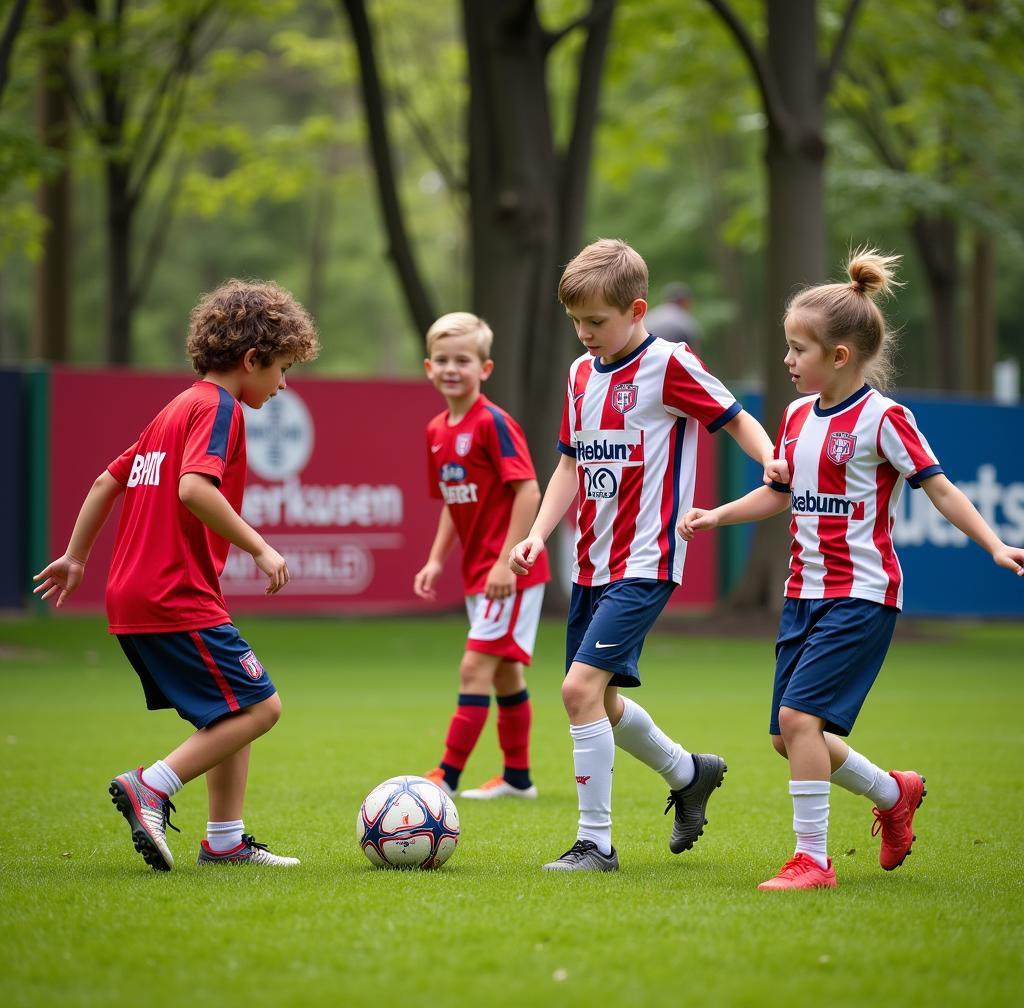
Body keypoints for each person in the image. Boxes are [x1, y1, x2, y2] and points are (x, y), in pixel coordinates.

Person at [679, 249, 1024, 891]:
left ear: (839, 356)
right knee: (792, 739)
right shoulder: (793, 418)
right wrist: (716, 515)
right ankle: (894, 793)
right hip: (802, 595)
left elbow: (941, 488)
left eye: (797, 348)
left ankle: (812, 860)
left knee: (799, 723)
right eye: (787, 346)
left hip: (861, 595)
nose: (787, 360)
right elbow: (779, 492)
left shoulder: (884, 419)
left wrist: (994, 546)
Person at [509, 238, 784, 871]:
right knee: (600, 702)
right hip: (591, 565)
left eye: (596, 322)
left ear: (637, 310)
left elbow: (734, 417)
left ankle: (595, 844)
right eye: (576, 321)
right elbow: (571, 467)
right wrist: (536, 534)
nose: (584, 333)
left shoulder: (670, 365)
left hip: (647, 560)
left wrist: (770, 457)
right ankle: (689, 774)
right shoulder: (580, 374)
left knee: (577, 691)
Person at [33, 280, 320, 871]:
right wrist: (261, 548)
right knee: (262, 708)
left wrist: (76, 557)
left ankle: (225, 841)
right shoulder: (219, 409)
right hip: (174, 594)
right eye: (284, 369)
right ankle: (152, 786)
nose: (284, 384)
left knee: (230, 715)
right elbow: (194, 489)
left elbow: (105, 481)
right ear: (251, 360)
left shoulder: (174, 408)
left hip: (133, 596)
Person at [414, 312, 549, 800]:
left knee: (474, 668)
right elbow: (455, 502)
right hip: (480, 574)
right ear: (429, 367)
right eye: (444, 360)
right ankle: (518, 780)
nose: (453, 368)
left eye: (463, 360)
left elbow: (529, 490)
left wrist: (503, 562)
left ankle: (445, 777)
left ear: (484, 369)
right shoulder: (435, 430)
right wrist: (435, 560)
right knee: (504, 672)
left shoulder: (493, 422)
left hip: (509, 572)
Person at [644, 281, 700, 349]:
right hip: (672, 356)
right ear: (685, 301)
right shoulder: (685, 320)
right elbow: (693, 351)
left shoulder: (651, 315)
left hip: (646, 355)